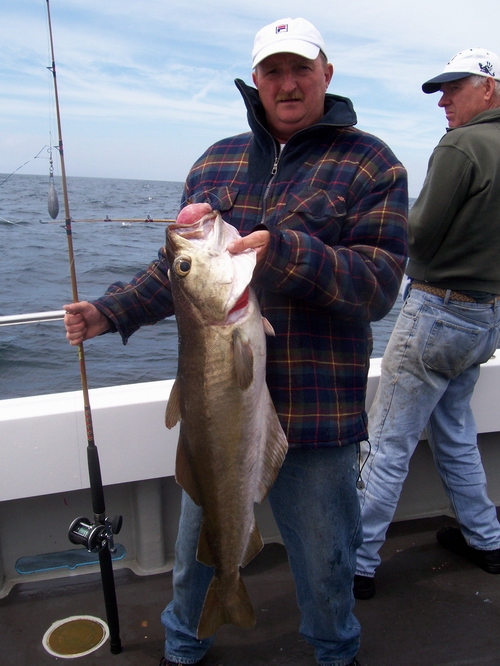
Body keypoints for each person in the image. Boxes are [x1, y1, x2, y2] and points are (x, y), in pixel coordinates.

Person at [64, 17, 407, 666]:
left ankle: (336, 654)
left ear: (326, 74)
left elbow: (381, 284)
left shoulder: (371, 164)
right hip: (215, 417)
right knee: (206, 548)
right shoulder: (215, 160)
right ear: (255, 80)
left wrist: (285, 255)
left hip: (317, 413)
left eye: (299, 69)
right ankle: (182, 645)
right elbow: (179, 273)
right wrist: (108, 312)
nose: (286, 83)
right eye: (272, 71)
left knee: (327, 566)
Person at [355, 48, 500, 602]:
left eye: (454, 88)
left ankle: (358, 563)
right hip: (486, 318)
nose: (443, 100)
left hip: (438, 311)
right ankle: (487, 540)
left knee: (387, 441)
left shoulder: (462, 145)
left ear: (488, 89)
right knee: (456, 434)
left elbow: (420, 233)